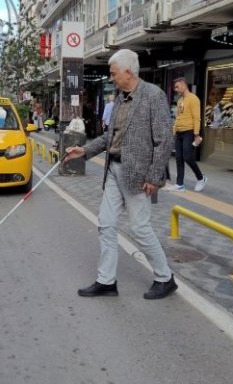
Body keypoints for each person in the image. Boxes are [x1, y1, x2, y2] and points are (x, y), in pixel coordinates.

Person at [63, 49, 177, 300]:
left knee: (140, 228)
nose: (112, 78)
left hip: (137, 174)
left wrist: (155, 177)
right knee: (106, 224)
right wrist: (83, 150)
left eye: (114, 74)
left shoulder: (153, 96)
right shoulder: (119, 99)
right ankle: (106, 281)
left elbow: (164, 140)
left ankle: (165, 277)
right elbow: (109, 137)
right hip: (113, 170)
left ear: (128, 72)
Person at [165, 77, 207, 192]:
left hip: (189, 131)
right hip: (179, 132)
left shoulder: (193, 99)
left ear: (184, 85)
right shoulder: (180, 101)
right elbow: (178, 117)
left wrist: (196, 134)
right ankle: (179, 184)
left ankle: (201, 178)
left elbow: (197, 117)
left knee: (188, 157)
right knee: (179, 158)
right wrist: (173, 132)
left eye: (177, 86)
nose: (176, 89)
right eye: (175, 87)